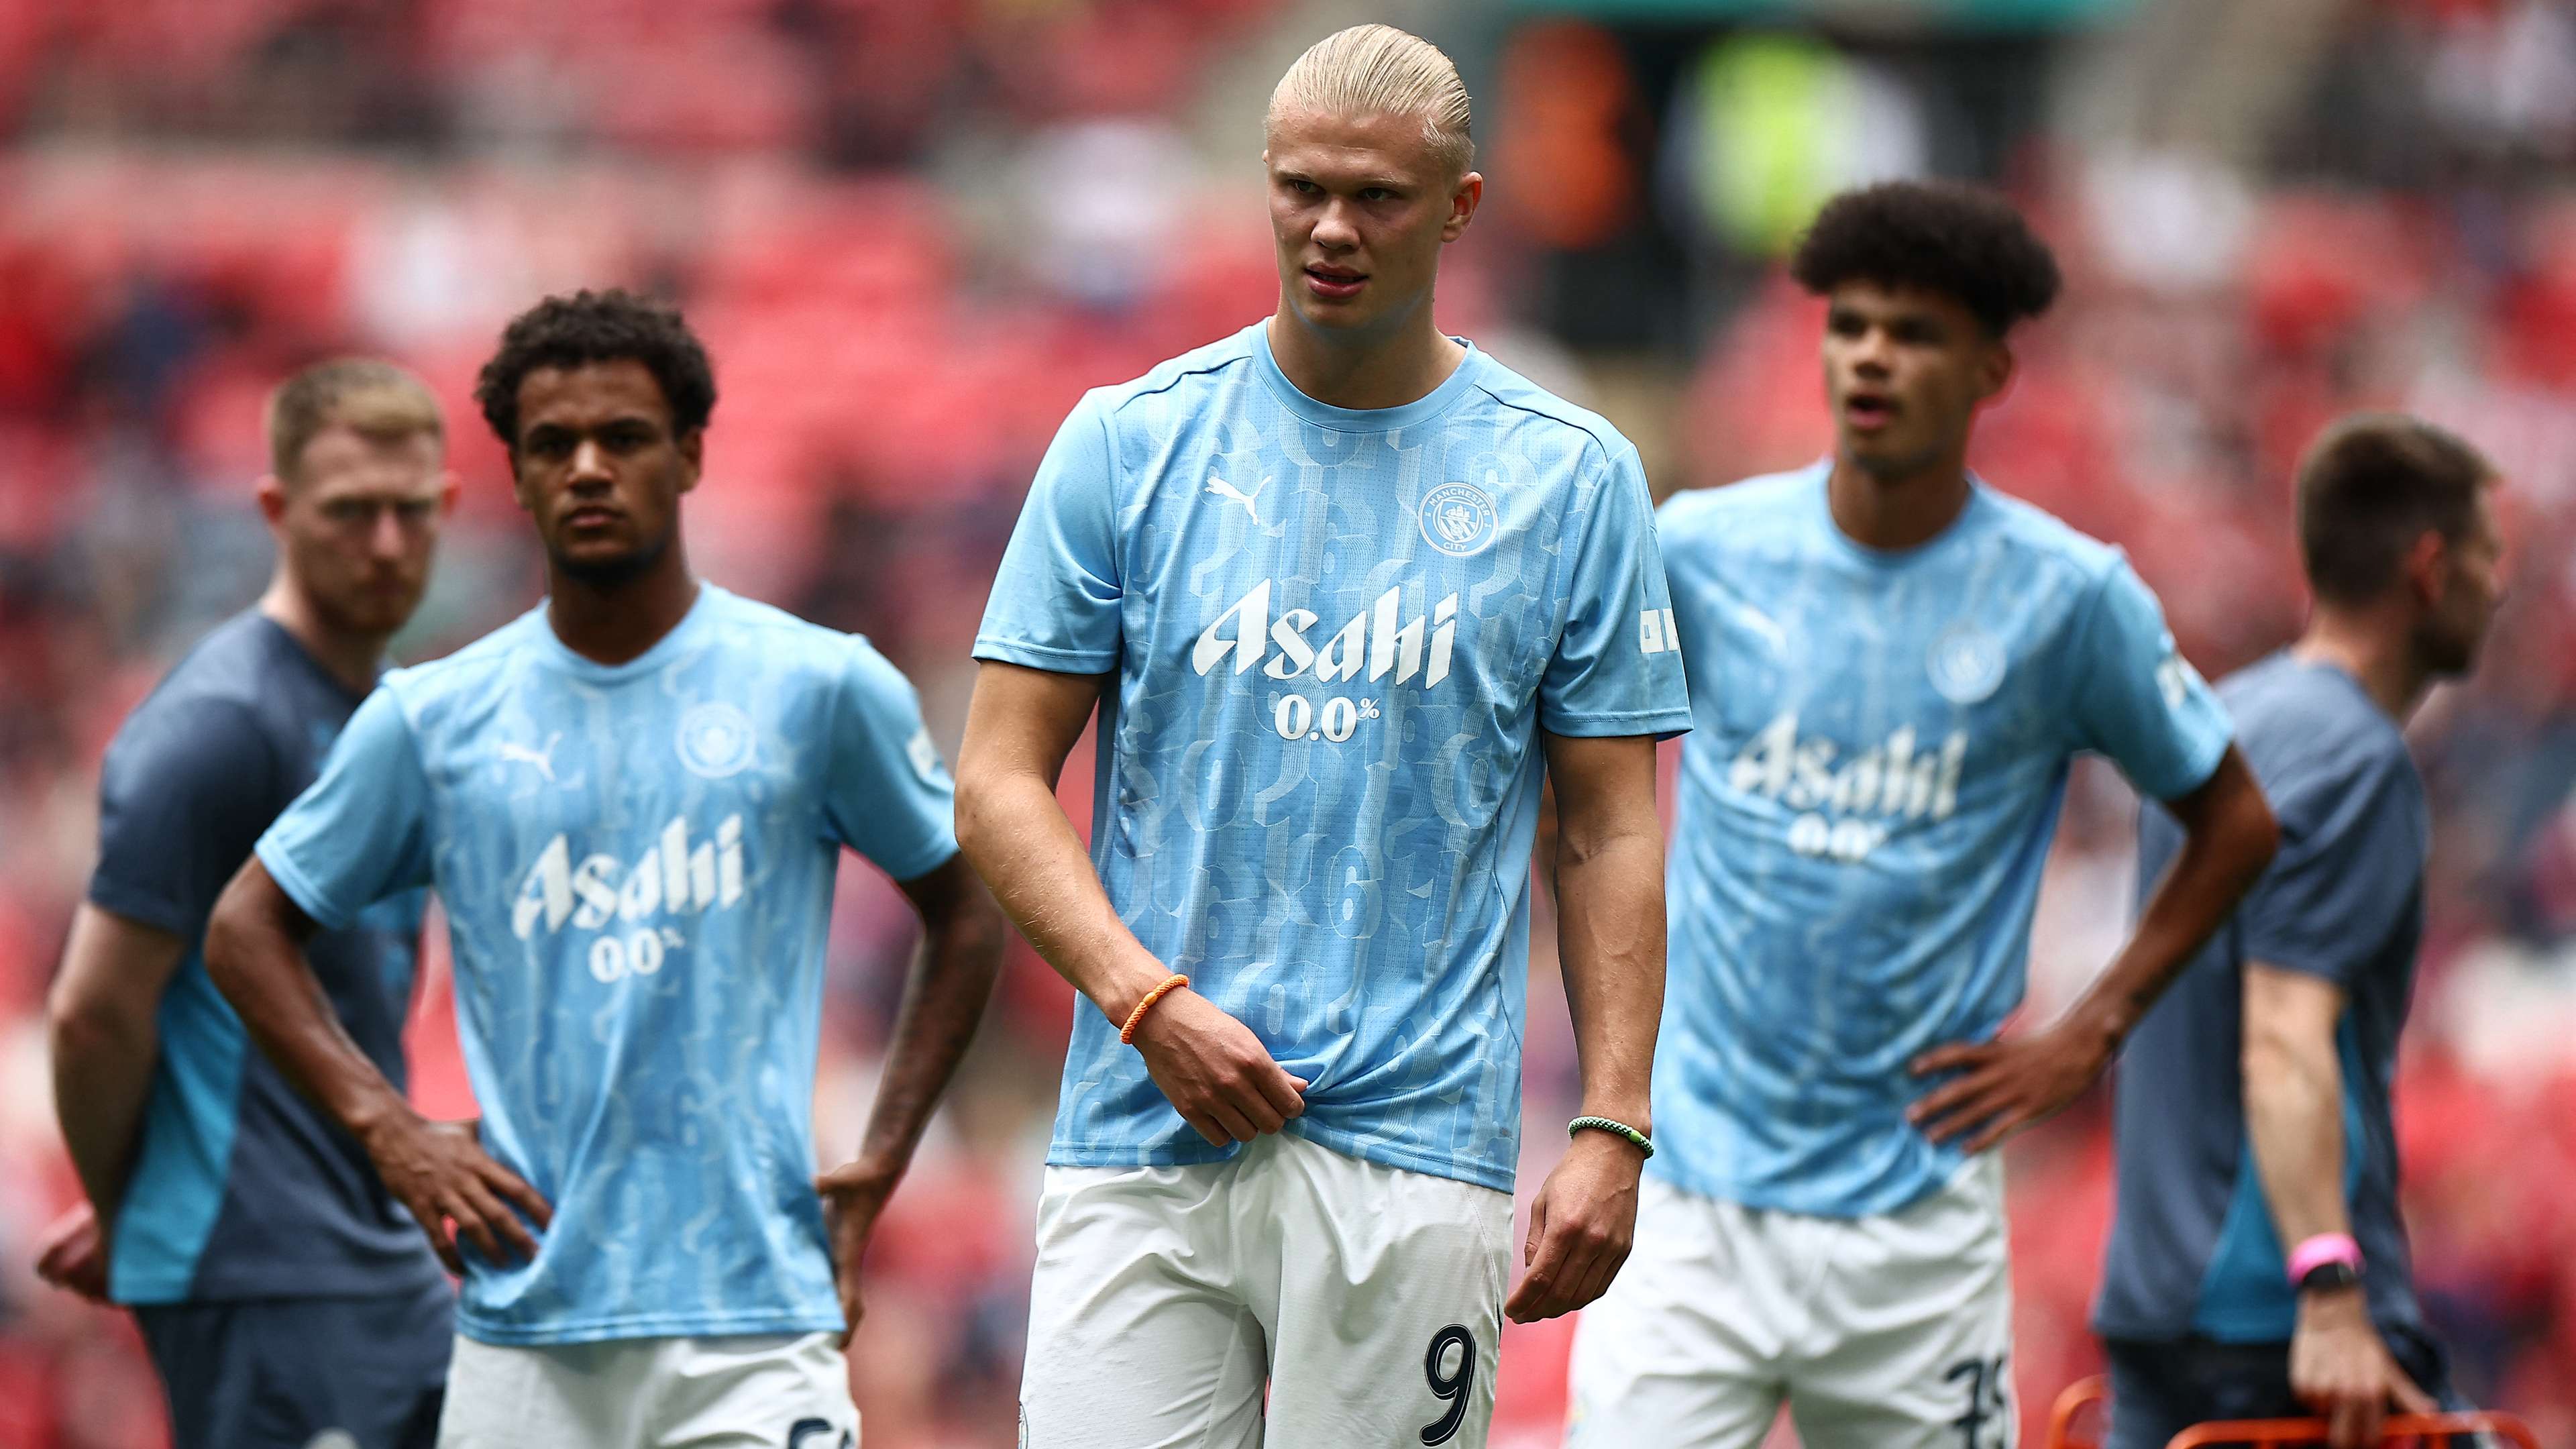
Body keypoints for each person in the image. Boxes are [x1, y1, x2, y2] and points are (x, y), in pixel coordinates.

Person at [957, 25, 1689, 1448]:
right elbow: (993, 777)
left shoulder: (1570, 479)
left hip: (1415, 1160)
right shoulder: (1128, 445)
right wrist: (1145, 1002)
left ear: (1463, 206)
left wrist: (1612, 1119)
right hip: (1142, 1140)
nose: (1332, 228)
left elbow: (1608, 826)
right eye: (1300, 189)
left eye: (1378, 197)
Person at [201, 289, 1007, 1448]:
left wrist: (879, 1165)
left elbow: (965, 908)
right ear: (516, 477)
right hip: (525, 1331)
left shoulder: (820, 689)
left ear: (687, 457)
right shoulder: (434, 721)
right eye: (551, 445)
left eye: (623, 438)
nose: (587, 467)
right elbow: (246, 928)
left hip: (752, 1326)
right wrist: (388, 1130)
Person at [1566, 180, 2282, 1449]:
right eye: (1849, 326)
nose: (1873, 357)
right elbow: (1577, 771)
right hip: (1693, 1202)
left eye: (1914, 332)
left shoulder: (2068, 599)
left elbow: (2234, 821)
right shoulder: (1704, 552)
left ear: (1992, 369)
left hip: (1916, 1223)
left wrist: (2088, 1033)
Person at [40, 358, 460, 1449]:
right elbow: (95, 1009)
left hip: (368, 1254)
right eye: (348, 513)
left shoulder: (383, 717)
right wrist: (139, 1202)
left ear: (448, 511)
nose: (383, 543)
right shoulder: (218, 724)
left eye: (410, 512)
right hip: (266, 1272)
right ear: (276, 514)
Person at [2094, 416, 2504, 1449]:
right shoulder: (2358, 761)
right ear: (2429, 567)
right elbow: (2282, 1034)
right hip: (2274, 1325)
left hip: (2156, 1302)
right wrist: (2328, 1286)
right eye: (2489, 556)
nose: (2499, 587)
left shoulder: (2222, 723)